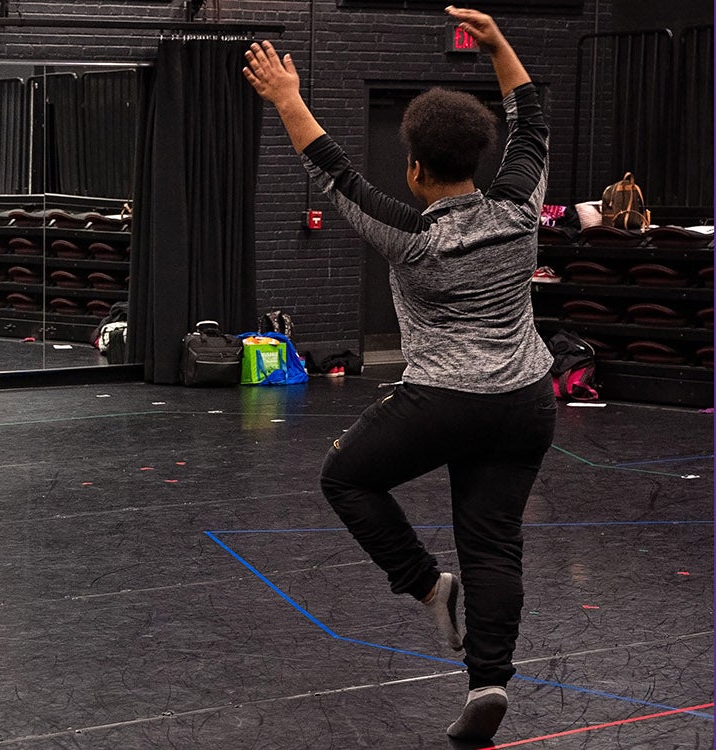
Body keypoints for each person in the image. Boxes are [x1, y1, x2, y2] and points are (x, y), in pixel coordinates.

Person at [245, 7, 553, 742]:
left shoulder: (409, 235)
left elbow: (334, 171)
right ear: (478, 161)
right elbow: (531, 123)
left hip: (444, 399)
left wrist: (286, 96)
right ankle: (487, 683)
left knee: (345, 478)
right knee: (494, 542)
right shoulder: (520, 205)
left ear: (415, 169)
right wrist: (499, 44)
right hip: (526, 400)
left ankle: (424, 585)